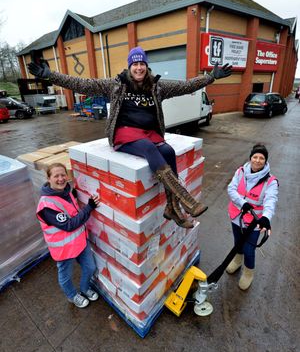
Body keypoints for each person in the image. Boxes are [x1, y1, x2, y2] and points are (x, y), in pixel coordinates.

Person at [29, 47, 232, 229]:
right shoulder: (116, 85)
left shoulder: (157, 86)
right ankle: (185, 198)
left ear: (146, 66)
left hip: (149, 132)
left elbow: (186, 86)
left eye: (142, 63)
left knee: (168, 151)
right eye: (135, 64)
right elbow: (82, 84)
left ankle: (172, 207)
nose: (139, 68)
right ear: (129, 66)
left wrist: (211, 76)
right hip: (124, 133)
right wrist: (50, 75)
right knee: (148, 148)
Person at [36, 162, 100, 308]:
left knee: (90, 267)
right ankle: (72, 295)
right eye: (56, 176)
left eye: (63, 175)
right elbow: (69, 225)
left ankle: (84, 288)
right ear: (48, 178)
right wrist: (89, 207)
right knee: (65, 276)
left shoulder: (67, 191)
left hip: (80, 241)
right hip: (64, 249)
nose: (60, 179)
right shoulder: (46, 205)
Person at [226, 144, 278, 290]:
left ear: (265, 161)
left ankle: (248, 273)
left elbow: (271, 200)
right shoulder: (241, 171)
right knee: (237, 242)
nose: (257, 160)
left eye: (261, 158)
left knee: (249, 249)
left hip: (255, 222)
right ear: (250, 158)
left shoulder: (271, 181)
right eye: (255, 157)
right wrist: (243, 203)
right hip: (236, 216)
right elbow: (231, 188)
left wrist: (266, 217)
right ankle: (237, 260)